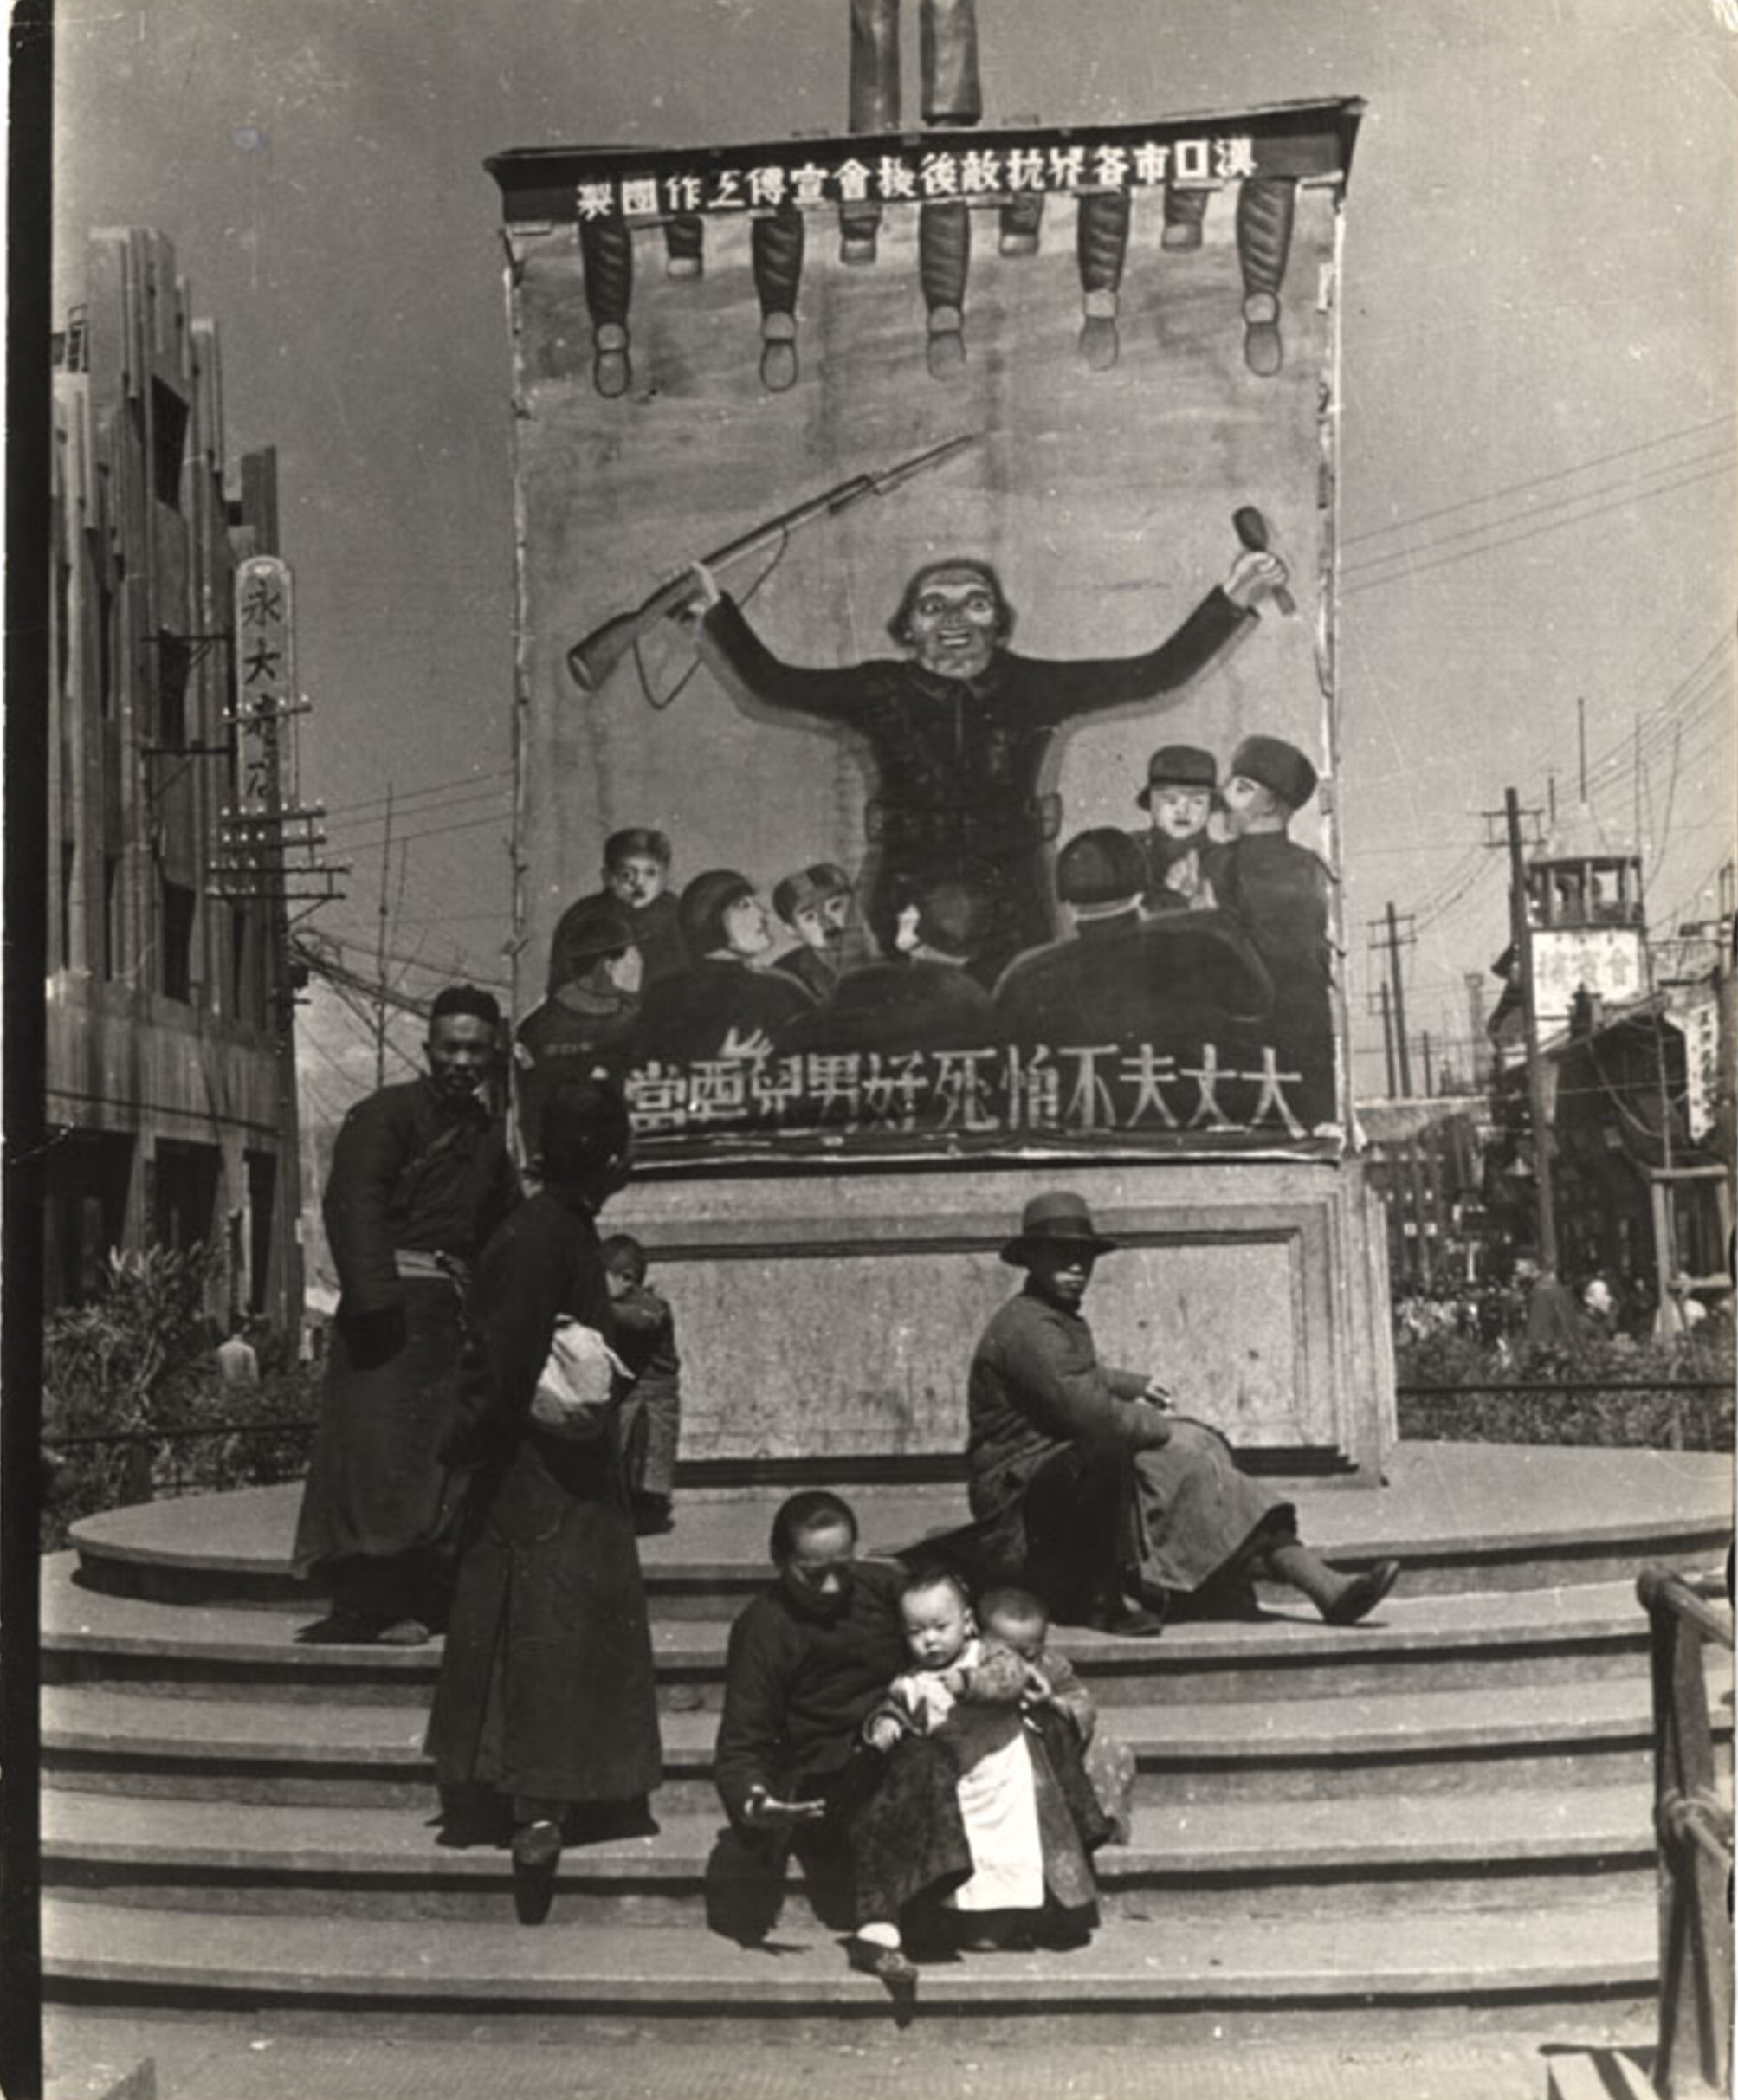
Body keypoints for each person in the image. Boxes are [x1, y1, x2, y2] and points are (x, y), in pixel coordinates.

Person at [688, 543, 1286, 972]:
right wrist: (713, 611)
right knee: (909, 1009)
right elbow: (772, 684)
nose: (952, 618)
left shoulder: (1035, 686)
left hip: (1015, 878)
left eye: (973, 604)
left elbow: (1156, 672)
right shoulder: (876, 688)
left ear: (998, 624)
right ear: (908, 629)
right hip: (905, 874)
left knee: (1019, 999)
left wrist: (1231, 597)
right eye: (933, 607)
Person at [426, 1079, 662, 1918]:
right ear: (602, 1158)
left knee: (552, 1634)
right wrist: (462, 1448)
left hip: (558, 1470)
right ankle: (537, 1809)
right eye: (621, 1146)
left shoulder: (554, 1225)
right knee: (543, 1639)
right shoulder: (541, 1235)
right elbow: (505, 1359)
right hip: (538, 1474)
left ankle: (554, 1795)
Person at [966, 1191, 1400, 1634]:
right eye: (1061, 1256)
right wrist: (1165, 1429)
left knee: (1189, 1463)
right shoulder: (1028, 1328)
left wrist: (1132, 1385)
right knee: (1165, 1456)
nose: (1077, 1268)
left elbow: (1074, 1373)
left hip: (1055, 1470)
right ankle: (1112, 1597)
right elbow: (1087, 1412)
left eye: (1084, 1256)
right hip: (1019, 1501)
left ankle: (1326, 1588)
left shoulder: (1046, 1316)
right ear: (1032, 1258)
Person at [292, 985, 519, 1645]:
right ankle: (368, 1602)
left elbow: (502, 1226)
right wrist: (376, 1301)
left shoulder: (486, 1138)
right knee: (376, 1463)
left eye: (475, 1049)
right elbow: (353, 1203)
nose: (461, 1060)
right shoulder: (384, 1115)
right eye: (449, 1046)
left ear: (491, 1054)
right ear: (427, 1049)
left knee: (440, 1466)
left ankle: (428, 1596)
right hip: (387, 1320)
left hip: (452, 1321)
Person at [709, 1490, 975, 1989]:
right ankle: (887, 1924)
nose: (831, 1587)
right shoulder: (762, 1628)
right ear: (779, 1560)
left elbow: (948, 1612)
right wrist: (754, 1802)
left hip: (907, 1736)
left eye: (842, 1567)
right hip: (832, 1780)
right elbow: (742, 1741)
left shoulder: (883, 1588)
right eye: (813, 1574)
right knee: (916, 1760)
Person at [863, 1569, 1106, 1951]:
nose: (929, 1640)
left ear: (968, 1623)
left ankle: (1026, 1920)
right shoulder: (911, 1679)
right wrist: (886, 1723)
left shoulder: (988, 1655)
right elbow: (897, 1706)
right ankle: (979, 1928)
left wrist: (970, 1683)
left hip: (1006, 1774)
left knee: (1014, 1851)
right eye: (915, 1632)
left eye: (940, 1627)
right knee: (978, 1860)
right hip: (962, 1779)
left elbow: (1010, 1676)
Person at [1208, 734, 1334, 1122]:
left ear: (1270, 803)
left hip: (1237, 1044)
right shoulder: (1314, 869)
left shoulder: (1214, 865)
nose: (1226, 796)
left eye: (1241, 789)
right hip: (1301, 1048)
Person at [978, 1583, 1135, 1848]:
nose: (1021, 1666)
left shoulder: (1053, 1667)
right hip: (997, 1750)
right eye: (1005, 1654)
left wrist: (1052, 1701)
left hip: (1051, 1748)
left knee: (1109, 1749)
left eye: (1030, 1655)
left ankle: (1096, 1821)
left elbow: (1082, 1703)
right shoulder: (973, 1669)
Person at [632, 868, 815, 1064]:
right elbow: (640, 1063)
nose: (762, 913)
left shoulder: (783, 987)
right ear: (709, 917)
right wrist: (712, 1056)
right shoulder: (667, 994)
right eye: (744, 906)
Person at [514, 897, 643, 1157]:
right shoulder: (537, 1031)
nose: (639, 964)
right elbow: (531, 1113)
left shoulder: (639, 1018)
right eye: (632, 955)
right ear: (608, 965)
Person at [601, 1231, 683, 1535]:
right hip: (628, 1396)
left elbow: (639, 1320)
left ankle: (647, 1511)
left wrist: (595, 1308)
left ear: (626, 1278)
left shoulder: (651, 1307)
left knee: (645, 1454)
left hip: (652, 1398)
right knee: (625, 1455)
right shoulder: (627, 1305)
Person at [547, 827, 686, 993]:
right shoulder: (585, 916)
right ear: (607, 877)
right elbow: (563, 982)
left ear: (666, 876)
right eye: (627, 874)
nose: (639, 882)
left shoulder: (677, 913)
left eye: (651, 873)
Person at [1130, 744, 1220, 913]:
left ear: (1210, 806)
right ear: (1151, 802)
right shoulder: (1127, 852)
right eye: (1171, 800)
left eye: (1197, 802)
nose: (1183, 811)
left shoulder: (1226, 860)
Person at [769, 862, 869, 1000]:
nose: (827, 925)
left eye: (835, 906)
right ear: (792, 930)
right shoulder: (786, 976)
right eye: (810, 917)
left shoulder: (894, 944)